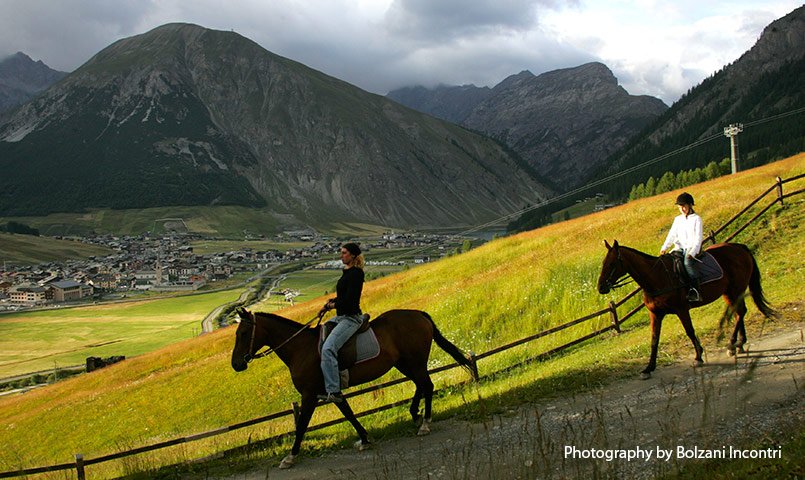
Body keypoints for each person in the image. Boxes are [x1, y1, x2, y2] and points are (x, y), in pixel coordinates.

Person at [317, 242, 365, 403]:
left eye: (344, 253)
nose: (341, 255)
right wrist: (327, 305)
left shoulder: (356, 274)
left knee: (328, 348)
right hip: (340, 316)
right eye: (341, 252)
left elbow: (349, 301)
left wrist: (332, 305)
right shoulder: (346, 272)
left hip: (351, 318)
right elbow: (343, 296)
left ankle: (334, 391)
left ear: (352, 255)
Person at [660, 192, 703, 302]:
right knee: (672, 263)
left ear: (690, 205)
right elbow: (672, 234)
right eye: (680, 207)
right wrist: (664, 247)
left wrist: (692, 253)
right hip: (679, 248)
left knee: (687, 263)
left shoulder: (697, 219)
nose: (682, 209)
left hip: (692, 248)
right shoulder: (677, 220)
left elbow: (698, 239)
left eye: (684, 206)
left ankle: (696, 290)